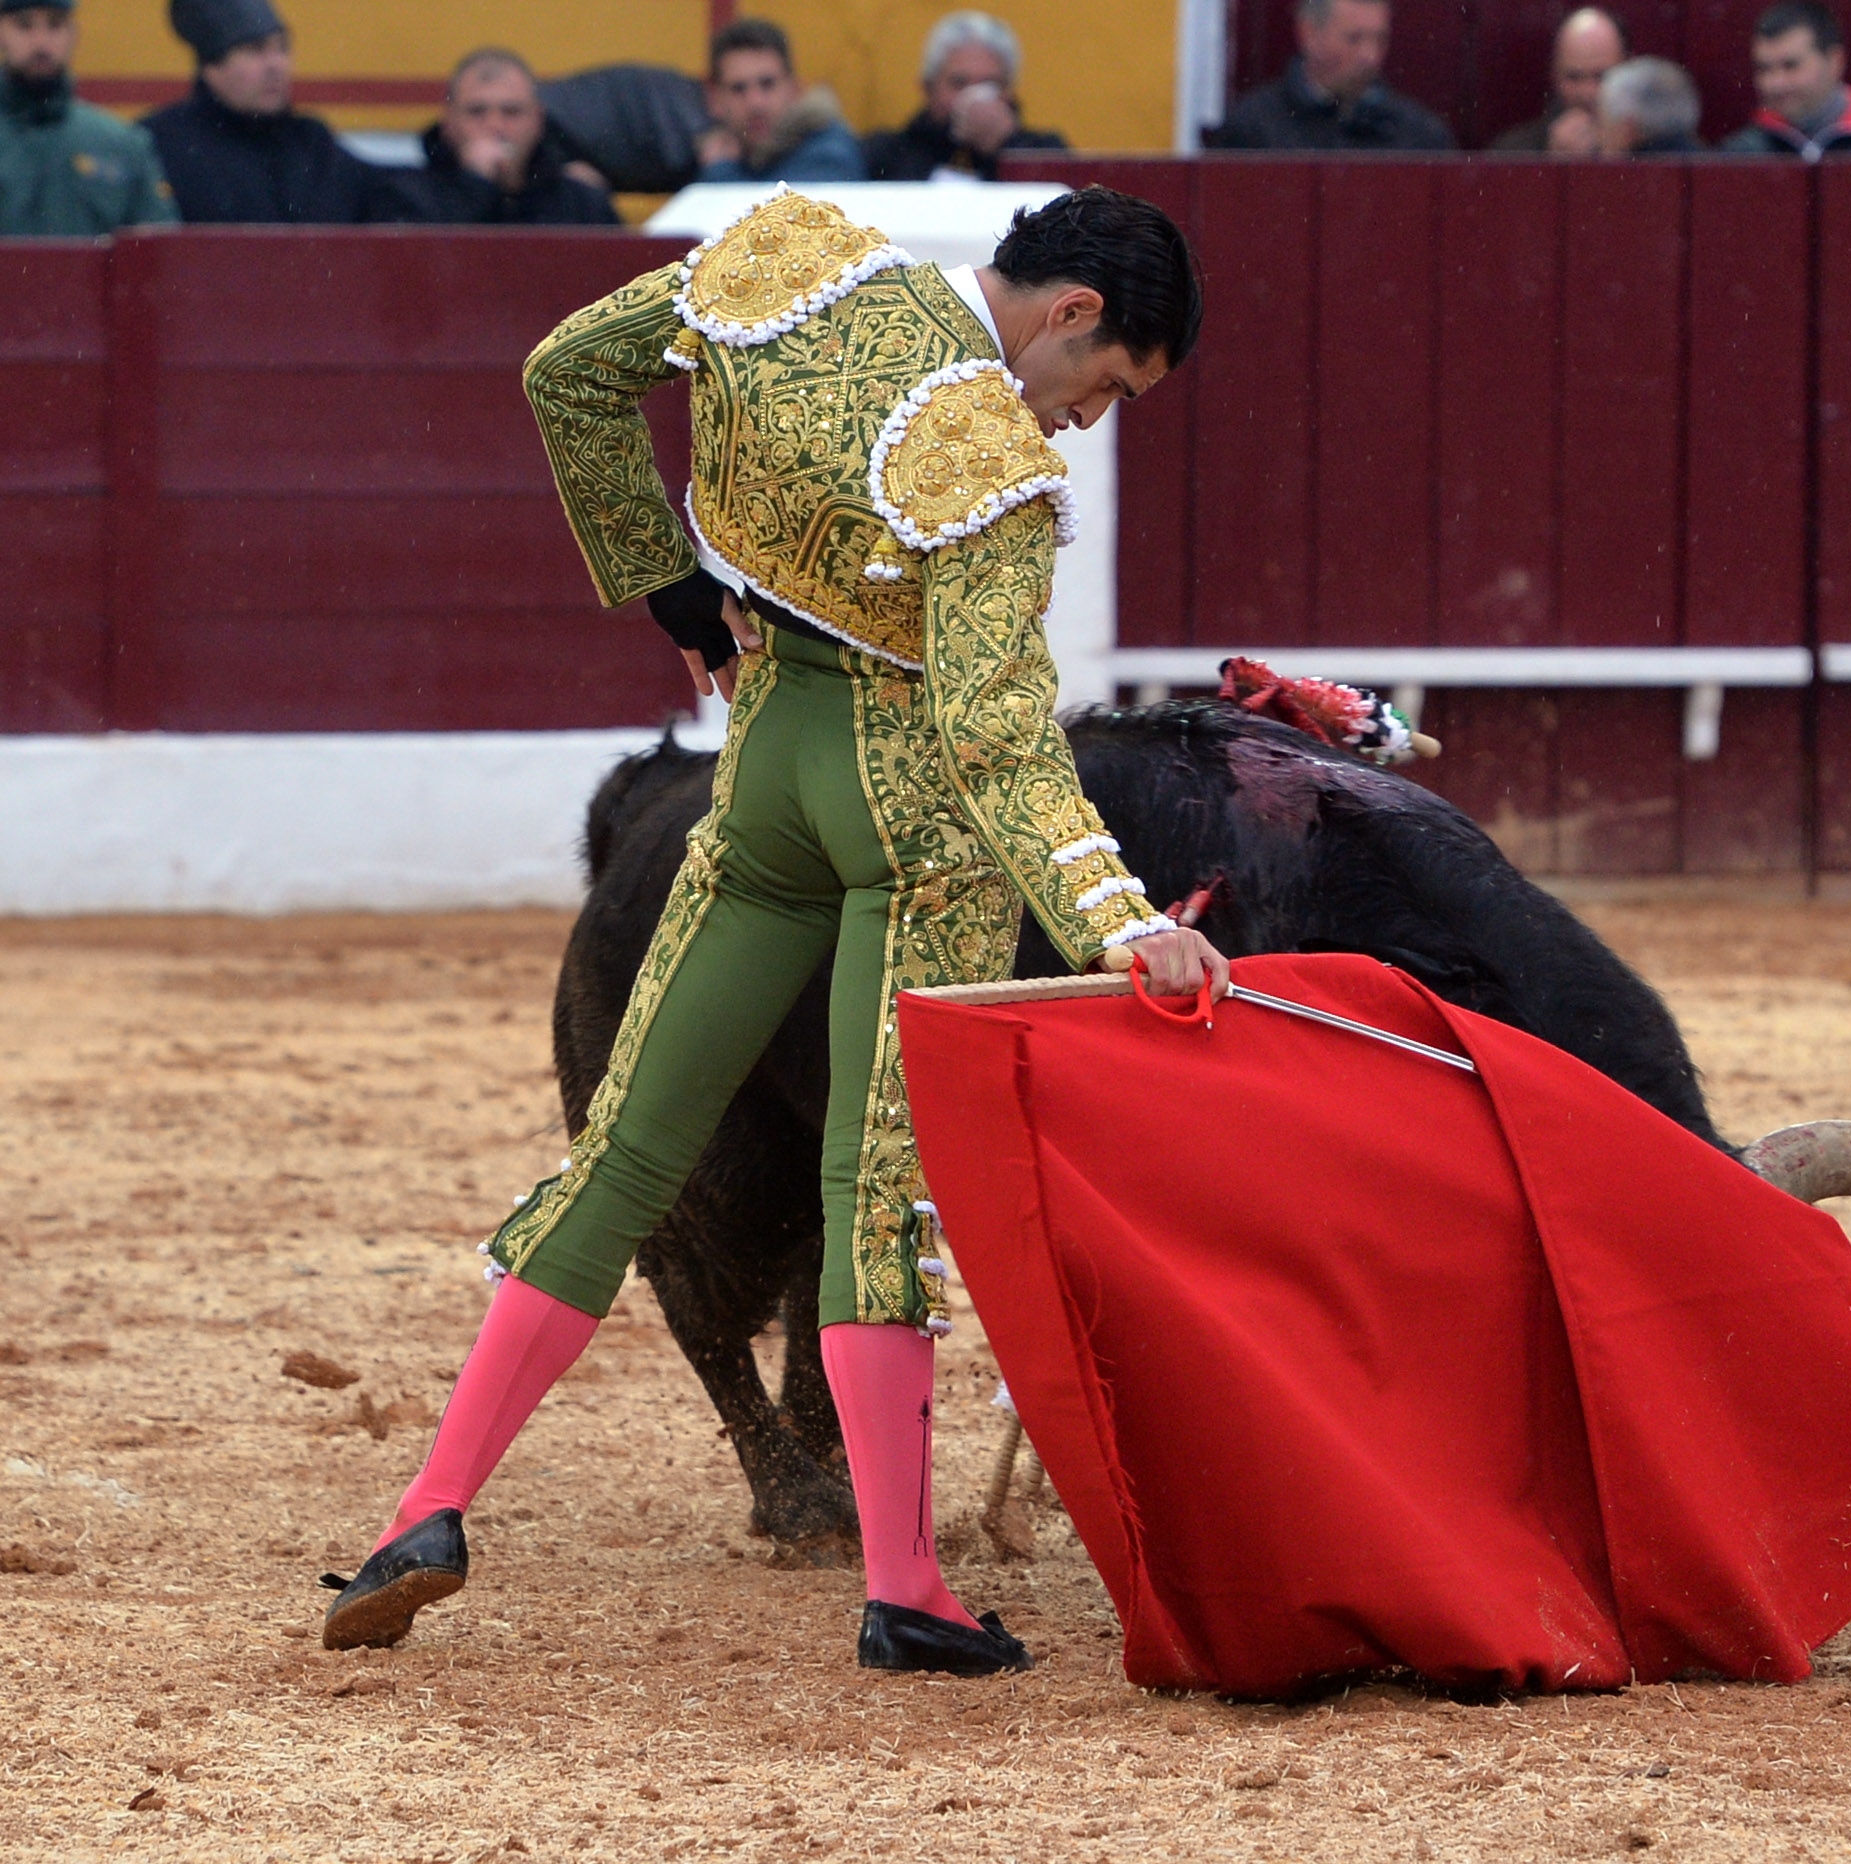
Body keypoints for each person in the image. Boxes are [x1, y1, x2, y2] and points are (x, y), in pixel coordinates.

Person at [316, 183, 1226, 1677]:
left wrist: (667, 582)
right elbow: (996, 738)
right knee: (875, 1203)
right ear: (1068, 314)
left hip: (763, 773)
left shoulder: (792, 269)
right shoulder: (987, 464)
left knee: (621, 1154)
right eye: (1105, 387)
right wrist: (1122, 929)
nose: (1081, 423)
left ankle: (427, 1513)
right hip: (908, 821)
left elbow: (568, 375)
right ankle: (904, 1589)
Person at [142, 0, 375, 223]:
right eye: (255, 50)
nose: (276, 65)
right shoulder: (159, 143)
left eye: (282, 48)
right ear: (211, 67)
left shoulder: (311, 142)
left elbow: (379, 193)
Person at [372, 48, 616, 226]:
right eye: (476, 111)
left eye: (511, 112)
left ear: (538, 121)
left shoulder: (578, 202)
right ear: (448, 123)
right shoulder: (405, 195)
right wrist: (474, 186)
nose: (495, 125)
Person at [0, 0, 176, 235]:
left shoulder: (122, 144)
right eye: (24, 26)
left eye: (55, 25)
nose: (41, 42)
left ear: (73, 34)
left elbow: (158, 251)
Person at [1206, 0, 1455, 151]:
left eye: (1380, 39)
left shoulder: (1421, 135)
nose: (1370, 55)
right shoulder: (1252, 129)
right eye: (1353, 38)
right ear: (1309, 34)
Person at [862, 11, 1066, 182]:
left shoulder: (1047, 155)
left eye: (990, 84)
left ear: (1009, 91)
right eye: (959, 83)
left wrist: (1008, 147)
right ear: (928, 87)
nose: (975, 97)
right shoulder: (886, 155)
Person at [1720, 1, 1851, 158]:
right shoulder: (1739, 155)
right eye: (1764, 68)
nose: (1775, 83)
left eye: (1791, 66)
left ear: (1834, 62)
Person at [699, 18, 864, 184]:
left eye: (767, 84)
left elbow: (785, 208)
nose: (755, 103)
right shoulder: (714, 150)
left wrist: (721, 172)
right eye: (738, 88)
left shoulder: (829, 152)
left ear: (795, 89)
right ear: (715, 99)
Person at [1491, 7, 1626, 154]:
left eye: (1601, 76)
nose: (1587, 92)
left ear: (1627, 71)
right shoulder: (1513, 152)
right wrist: (1551, 164)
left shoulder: (1651, 147)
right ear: (1554, 75)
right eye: (1573, 77)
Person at [1596, 54, 1703, 153]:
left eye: (1601, 123)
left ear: (1627, 128)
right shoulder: (1711, 164)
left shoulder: (1635, 172)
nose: (1597, 135)